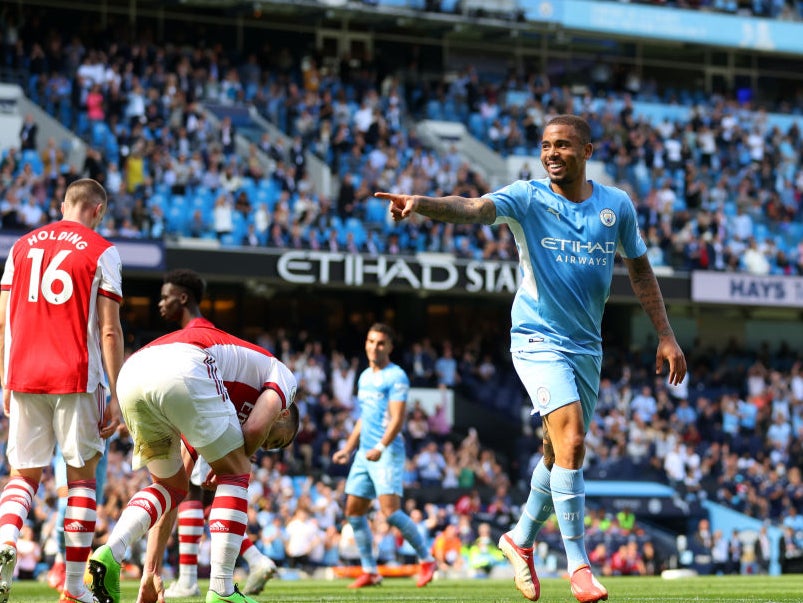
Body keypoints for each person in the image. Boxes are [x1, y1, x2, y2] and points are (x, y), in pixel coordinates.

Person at [378, 114, 687, 603]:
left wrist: (665, 334)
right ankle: (579, 566)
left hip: (587, 346)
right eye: (545, 145)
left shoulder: (617, 207)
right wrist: (421, 205)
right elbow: (475, 208)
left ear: (587, 152)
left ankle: (519, 540)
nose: (552, 154)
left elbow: (641, 271)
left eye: (563, 145)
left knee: (556, 453)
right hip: (536, 338)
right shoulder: (527, 197)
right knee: (574, 440)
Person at [86, 322, 300, 603]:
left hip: (134, 372)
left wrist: (151, 570)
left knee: (170, 487)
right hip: (185, 365)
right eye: (276, 443)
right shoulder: (285, 379)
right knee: (236, 473)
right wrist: (232, 461)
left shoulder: (216, 401)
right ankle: (222, 591)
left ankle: (110, 551)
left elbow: (179, 490)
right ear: (283, 414)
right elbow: (256, 428)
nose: (266, 449)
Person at [0, 178, 124, 603]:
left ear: (63, 204)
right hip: (76, 376)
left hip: (23, 374)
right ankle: (73, 588)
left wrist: (4, 377)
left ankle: (6, 539)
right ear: (98, 210)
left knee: (23, 476)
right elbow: (109, 330)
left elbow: (3, 321)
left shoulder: (21, 246)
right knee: (82, 482)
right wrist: (119, 396)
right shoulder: (102, 251)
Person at [156, 269, 278, 598]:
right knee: (211, 502)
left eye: (165, 296)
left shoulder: (195, 334)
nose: (159, 303)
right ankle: (254, 559)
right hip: (221, 421)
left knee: (191, 495)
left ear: (183, 298)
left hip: (206, 421)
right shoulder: (206, 332)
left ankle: (190, 579)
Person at [332, 323, 436, 589]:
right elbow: (362, 419)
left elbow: (398, 419)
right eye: (370, 341)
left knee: (390, 512)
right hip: (365, 453)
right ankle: (370, 570)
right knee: (353, 511)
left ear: (390, 346)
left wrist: (379, 446)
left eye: (380, 343)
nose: (374, 347)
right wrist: (348, 448)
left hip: (386, 452)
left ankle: (427, 559)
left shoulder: (397, 376)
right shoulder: (364, 376)